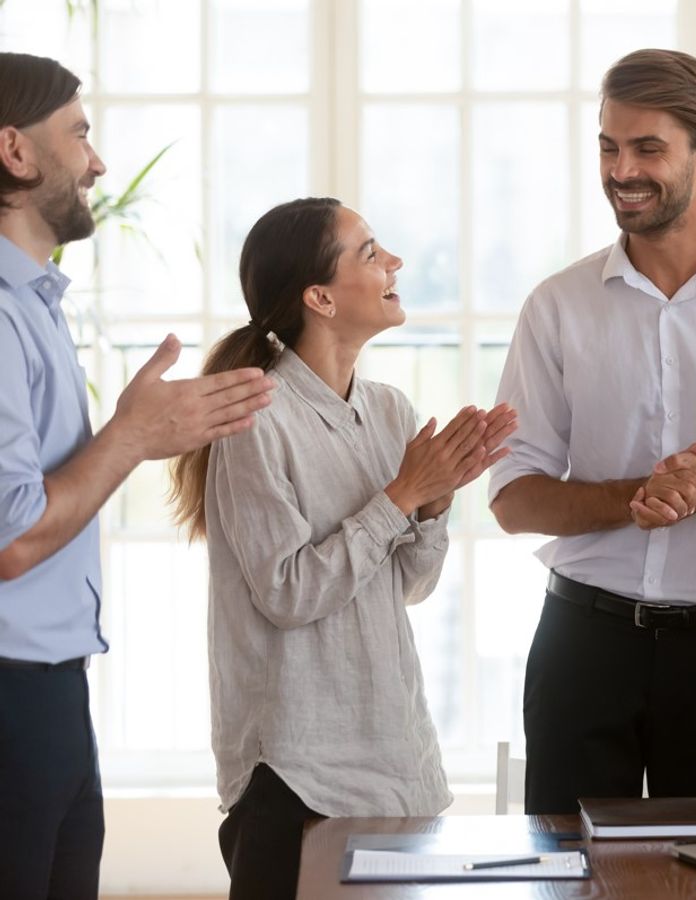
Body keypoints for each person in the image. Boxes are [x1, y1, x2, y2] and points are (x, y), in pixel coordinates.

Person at [489, 48, 696, 815]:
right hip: (582, 641)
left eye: (647, 148)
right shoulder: (557, 305)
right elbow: (513, 498)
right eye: (609, 146)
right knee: (568, 875)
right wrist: (638, 497)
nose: (620, 169)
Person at [167, 197, 516, 900]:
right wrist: (399, 496)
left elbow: (406, 587)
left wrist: (435, 500)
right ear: (319, 297)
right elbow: (289, 593)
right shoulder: (254, 415)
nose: (394, 263)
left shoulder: (388, 410)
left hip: (393, 760)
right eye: (369, 252)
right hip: (295, 776)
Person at [0, 52, 273, 899]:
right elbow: (9, 538)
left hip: (49, 688)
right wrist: (132, 435)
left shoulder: (33, 302)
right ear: (14, 151)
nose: (97, 162)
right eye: (79, 134)